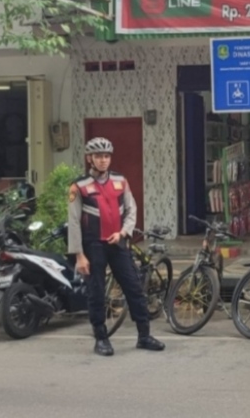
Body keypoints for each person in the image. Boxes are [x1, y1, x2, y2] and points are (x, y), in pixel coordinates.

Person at [68, 137, 165, 356]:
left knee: (134, 287)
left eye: (106, 156)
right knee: (96, 293)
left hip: (118, 243)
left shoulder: (120, 181)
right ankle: (101, 338)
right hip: (93, 245)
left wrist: (122, 232)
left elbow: (131, 209)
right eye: (98, 156)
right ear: (89, 158)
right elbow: (73, 222)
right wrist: (79, 255)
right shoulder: (79, 186)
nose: (103, 160)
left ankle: (144, 336)